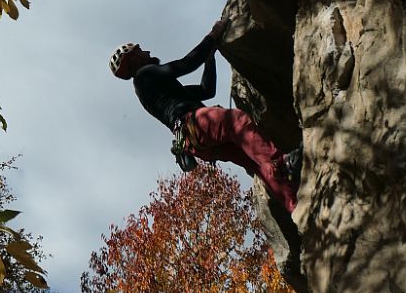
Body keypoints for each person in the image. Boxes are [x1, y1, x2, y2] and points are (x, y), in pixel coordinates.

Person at [109, 19, 300, 212]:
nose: (147, 52)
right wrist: (213, 35)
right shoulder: (144, 74)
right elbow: (186, 64)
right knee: (236, 121)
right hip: (194, 125)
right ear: (132, 60)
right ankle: (280, 163)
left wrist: (210, 58)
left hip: (194, 142)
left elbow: (206, 90)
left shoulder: (156, 90)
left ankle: (294, 206)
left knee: (254, 162)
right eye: (140, 51)